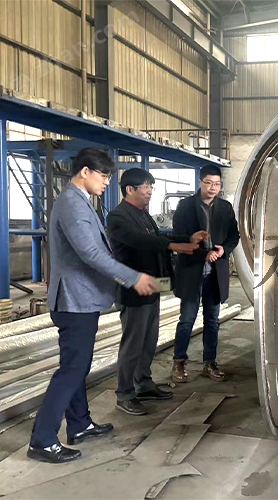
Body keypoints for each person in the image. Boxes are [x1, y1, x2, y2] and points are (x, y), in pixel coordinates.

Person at [28, 148, 159, 464]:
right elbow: (91, 253)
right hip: (74, 301)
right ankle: (42, 440)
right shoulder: (72, 204)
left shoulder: (79, 200)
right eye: (103, 175)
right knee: (72, 369)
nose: (107, 182)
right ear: (85, 171)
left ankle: (80, 424)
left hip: (81, 299)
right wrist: (132, 277)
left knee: (78, 366)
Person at [106, 169, 207, 416]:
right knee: (133, 343)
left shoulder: (143, 214)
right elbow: (139, 240)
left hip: (152, 286)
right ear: (130, 189)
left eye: (151, 186)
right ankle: (125, 394)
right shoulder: (118, 217)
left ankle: (143, 384)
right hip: (133, 288)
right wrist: (174, 245)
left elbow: (157, 237)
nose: (150, 191)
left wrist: (186, 238)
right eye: (146, 187)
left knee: (149, 340)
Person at [171, 165, 239, 383]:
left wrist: (223, 250)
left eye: (217, 184)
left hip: (215, 274)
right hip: (192, 270)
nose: (213, 188)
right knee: (187, 320)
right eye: (209, 183)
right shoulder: (185, 206)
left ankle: (210, 362)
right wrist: (203, 254)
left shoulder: (225, 208)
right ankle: (179, 361)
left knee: (212, 320)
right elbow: (178, 237)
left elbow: (234, 235)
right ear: (200, 182)